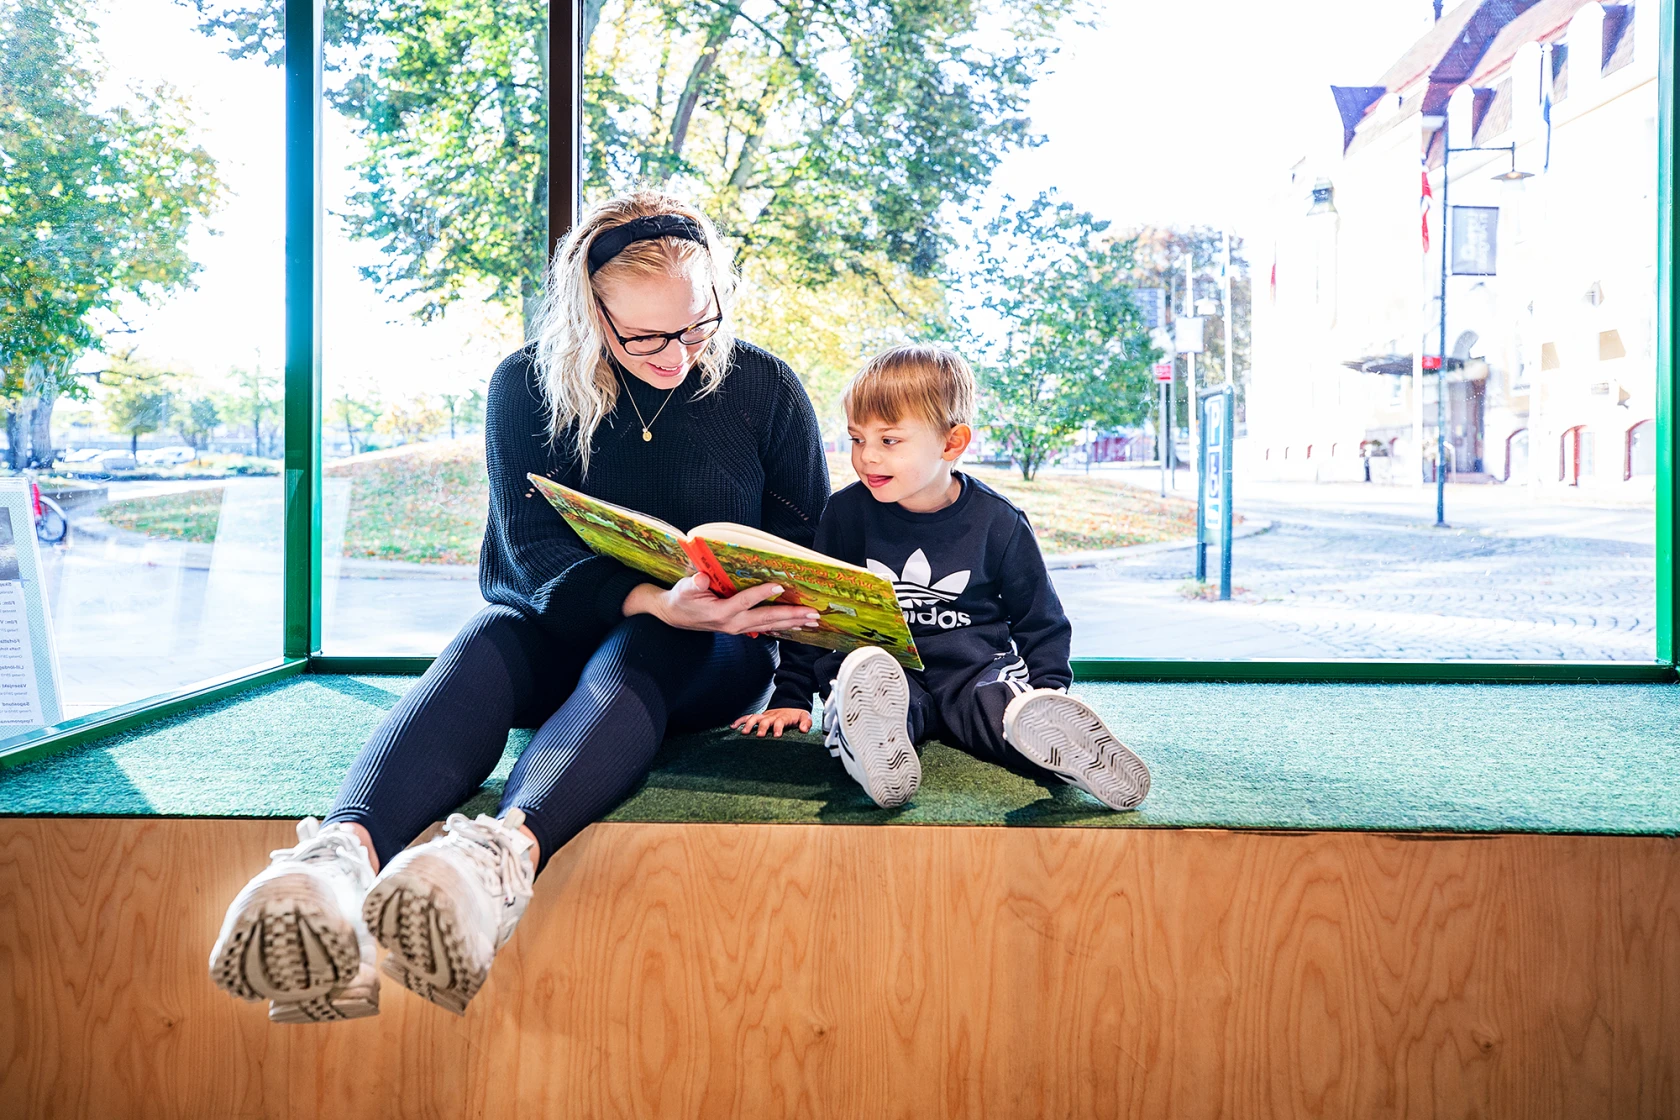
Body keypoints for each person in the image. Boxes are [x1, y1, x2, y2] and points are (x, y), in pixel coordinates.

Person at [208, 190, 829, 1022]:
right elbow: (528, 555)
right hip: (563, 628)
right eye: (644, 336)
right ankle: (333, 866)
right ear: (587, 312)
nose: (677, 355)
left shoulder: (766, 387)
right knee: (489, 636)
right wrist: (649, 594)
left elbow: (809, 550)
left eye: (696, 325)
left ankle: (492, 866)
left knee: (644, 643)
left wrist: (766, 653)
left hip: (712, 652)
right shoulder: (523, 385)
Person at [732, 344, 1151, 812]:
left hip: (971, 668)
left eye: (888, 441)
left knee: (1001, 708)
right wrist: (790, 694)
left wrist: (1049, 688)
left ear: (952, 443)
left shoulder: (999, 521)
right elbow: (813, 611)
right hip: (882, 667)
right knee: (864, 688)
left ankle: (1054, 739)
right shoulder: (846, 513)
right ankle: (872, 745)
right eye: (856, 439)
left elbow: (1042, 620)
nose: (866, 456)